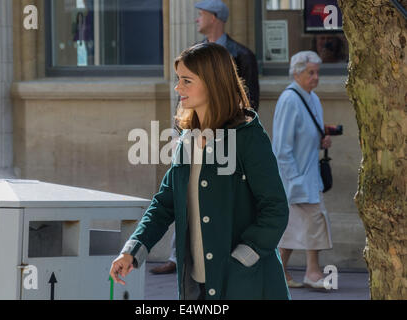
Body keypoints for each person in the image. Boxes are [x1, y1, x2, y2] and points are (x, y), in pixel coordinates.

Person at [110, 43, 290, 300]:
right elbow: (164, 204)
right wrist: (132, 250)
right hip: (196, 288)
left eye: (186, 81)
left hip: (244, 285)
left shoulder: (248, 137)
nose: (177, 88)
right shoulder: (186, 138)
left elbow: (275, 208)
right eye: (178, 80)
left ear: (212, 83)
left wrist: (242, 258)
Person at [151, 0, 261, 275]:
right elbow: (164, 202)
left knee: (220, 197)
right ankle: (180, 257)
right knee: (184, 193)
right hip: (193, 132)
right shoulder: (193, 55)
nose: (196, 19)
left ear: (215, 17)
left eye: (201, 15)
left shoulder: (241, 54)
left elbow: (249, 101)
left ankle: (217, 259)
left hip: (227, 137)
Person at [272, 51, 333, 289]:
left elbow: (305, 136)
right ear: (296, 72)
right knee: (314, 220)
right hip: (296, 177)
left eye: (318, 72)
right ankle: (313, 272)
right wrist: (294, 179)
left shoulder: (312, 98)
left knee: (294, 225)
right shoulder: (289, 100)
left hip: (308, 175)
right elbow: (281, 147)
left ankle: (280, 271)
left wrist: (321, 142)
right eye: (311, 72)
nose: (315, 77)